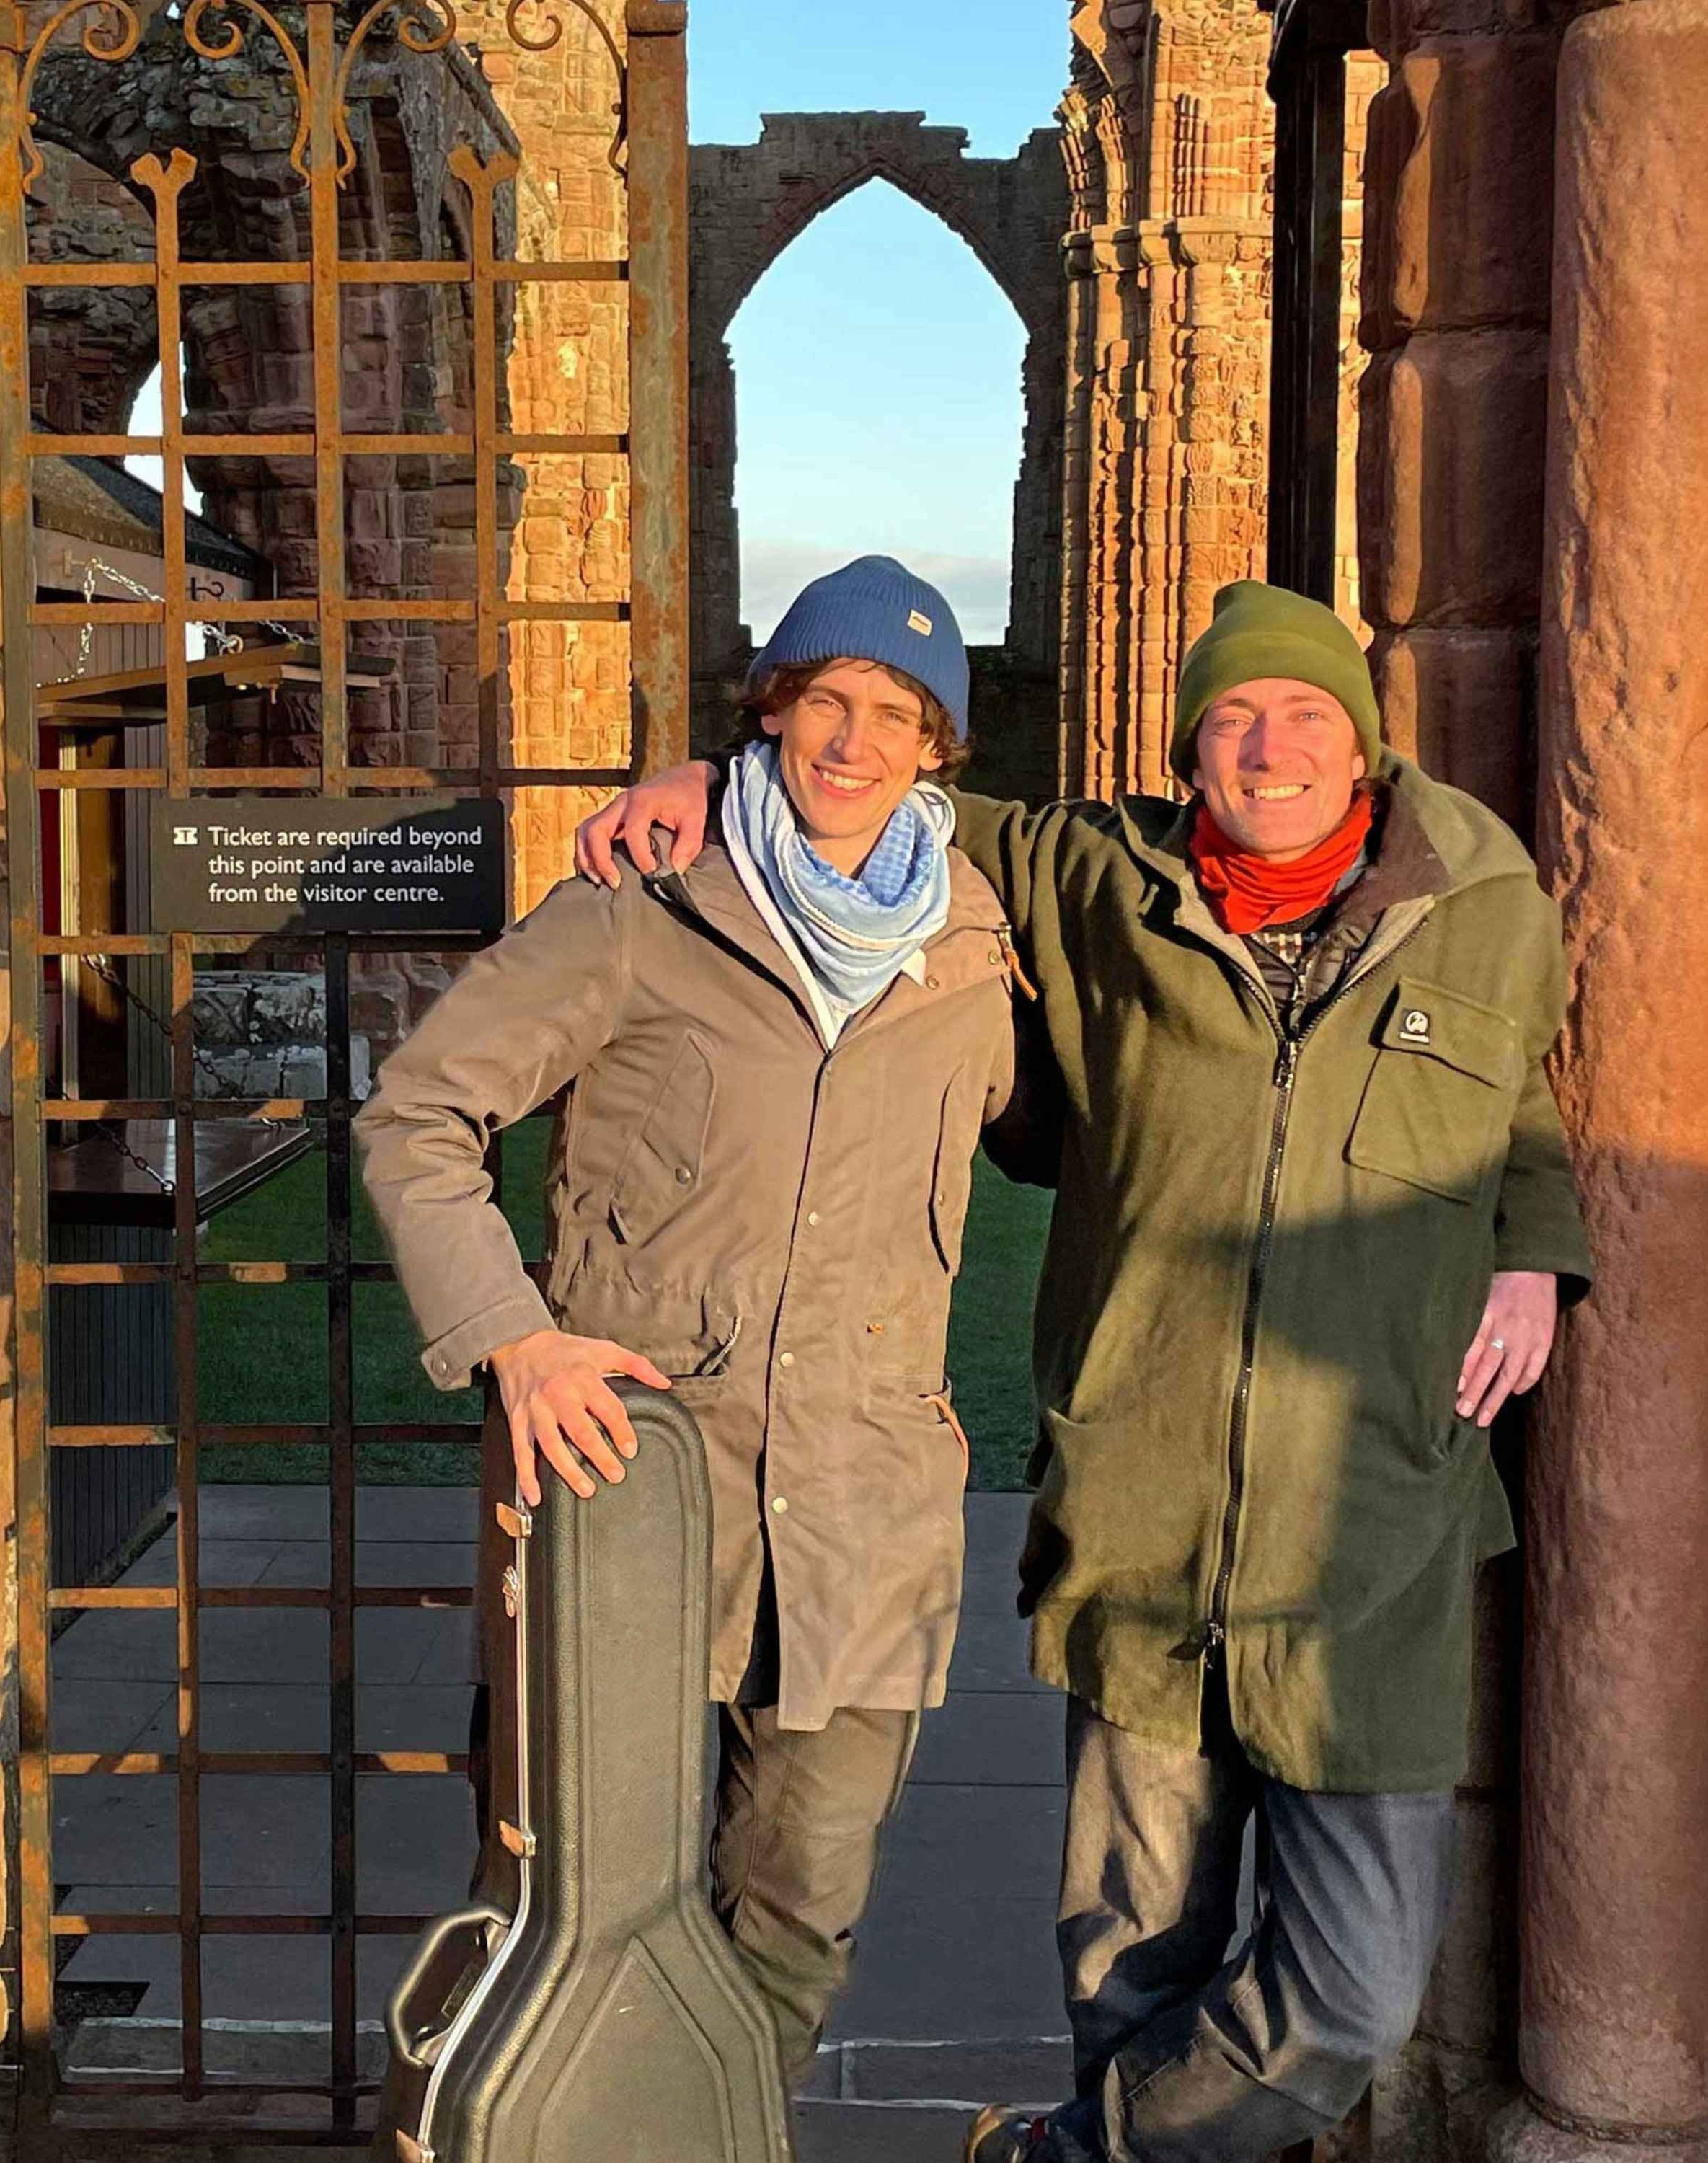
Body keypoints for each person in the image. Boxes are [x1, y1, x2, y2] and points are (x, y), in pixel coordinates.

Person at [572, 579, 1594, 2163]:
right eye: (1234, 719)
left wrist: (1537, 1246)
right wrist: (715, 775)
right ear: (1193, 751)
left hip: (1367, 1536)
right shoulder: (1100, 874)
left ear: (1363, 744)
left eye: (1304, 715)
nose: (1270, 748)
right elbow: (891, 784)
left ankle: (1073, 2159)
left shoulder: (1480, 897)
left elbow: (1518, 1099)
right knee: (1132, 1967)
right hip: (1145, 1506)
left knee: (1355, 1998)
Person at [356, 556, 1027, 2094]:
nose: (851, 743)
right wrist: (515, 1339)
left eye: (893, 715)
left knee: (797, 1918)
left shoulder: (984, 949)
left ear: (939, 749)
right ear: (771, 714)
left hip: (866, 1525)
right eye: (821, 702)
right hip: (632, 1502)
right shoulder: (639, 911)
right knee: (568, 1909)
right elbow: (419, 1114)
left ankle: (709, 2134)